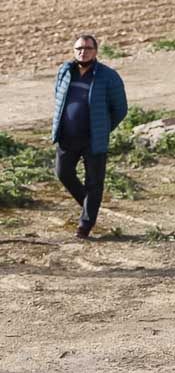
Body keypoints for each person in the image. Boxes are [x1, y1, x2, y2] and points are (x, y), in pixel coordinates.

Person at [51, 34, 128, 239]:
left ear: (96, 51)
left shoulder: (108, 76)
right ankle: (90, 204)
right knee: (63, 172)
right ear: (73, 50)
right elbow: (58, 98)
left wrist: (102, 128)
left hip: (93, 139)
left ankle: (85, 226)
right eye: (79, 49)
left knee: (94, 182)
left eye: (87, 48)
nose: (82, 52)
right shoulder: (65, 72)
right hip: (67, 137)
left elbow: (120, 108)